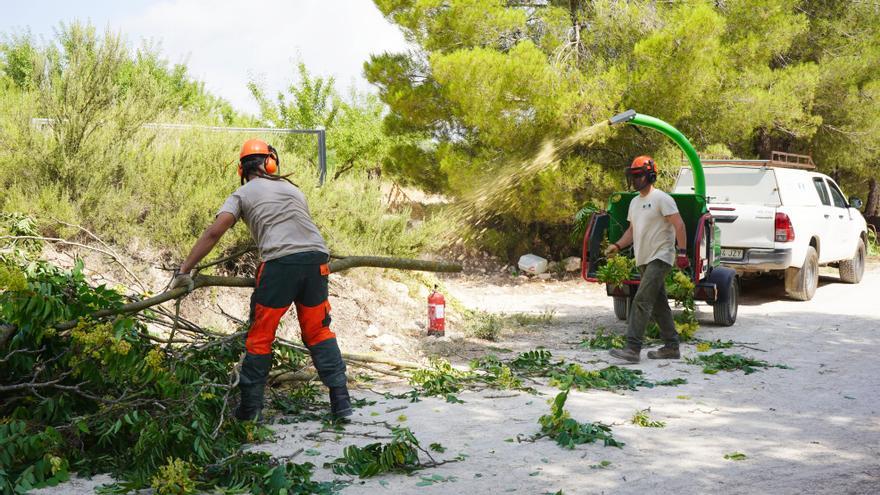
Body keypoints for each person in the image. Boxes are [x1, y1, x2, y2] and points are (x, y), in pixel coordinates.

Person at [170, 139, 351, 420]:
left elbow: (214, 232)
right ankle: (342, 404)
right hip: (317, 261)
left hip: (280, 265)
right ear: (271, 162)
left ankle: (250, 411)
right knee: (319, 331)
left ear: (242, 168)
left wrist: (184, 270)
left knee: (260, 337)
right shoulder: (293, 190)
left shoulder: (241, 194)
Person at [605, 155, 690, 363]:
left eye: (639, 175)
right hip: (643, 258)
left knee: (641, 300)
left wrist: (682, 252)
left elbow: (679, 225)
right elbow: (632, 230)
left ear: (650, 175)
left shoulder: (662, 199)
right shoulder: (634, 202)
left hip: (661, 257)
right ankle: (671, 346)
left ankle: (632, 349)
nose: (635, 180)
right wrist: (617, 245)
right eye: (632, 176)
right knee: (659, 304)